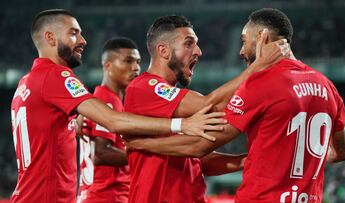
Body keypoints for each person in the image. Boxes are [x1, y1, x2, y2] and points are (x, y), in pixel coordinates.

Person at [126, 8, 345, 203]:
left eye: (244, 41)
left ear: (262, 38)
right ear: (163, 50)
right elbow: (341, 152)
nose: (242, 51)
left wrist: (142, 144)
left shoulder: (264, 84)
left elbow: (197, 152)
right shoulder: (327, 86)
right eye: (189, 44)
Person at [10, 9, 225, 203]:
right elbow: (112, 122)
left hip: (30, 194)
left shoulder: (26, 83)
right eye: (74, 33)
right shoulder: (57, 76)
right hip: (63, 197)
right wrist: (181, 125)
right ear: (50, 37)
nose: (83, 40)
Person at [122, 15, 288, 203]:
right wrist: (257, 67)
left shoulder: (171, 102)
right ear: (164, 50)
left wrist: (248, 159)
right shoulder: (144, 87)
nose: (199, 51)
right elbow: (209, 105)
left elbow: (199, 159)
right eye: (189, 44)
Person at [77, 37, 141, 202]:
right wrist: (144, 156)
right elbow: (102, 153)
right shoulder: (106, 100)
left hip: (96, 194)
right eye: (128, 61)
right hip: (107, 195)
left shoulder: (102, 99)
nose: (136, 68)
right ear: (107, 66)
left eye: (137, 62)